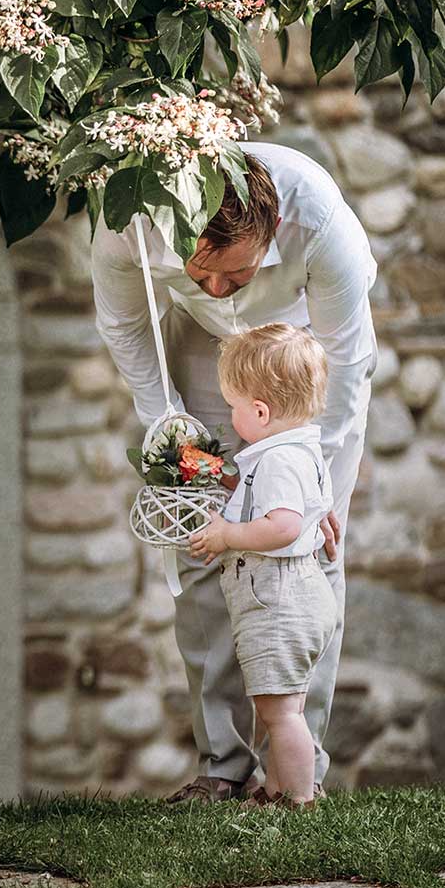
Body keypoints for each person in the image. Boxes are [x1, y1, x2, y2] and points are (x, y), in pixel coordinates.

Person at [91, 143, 377, 802]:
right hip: (194, 348)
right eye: (201, 272)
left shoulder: (317, 216)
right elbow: (126, 328)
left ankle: (294, 772)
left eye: (237, 274)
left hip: (301, 353)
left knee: (310, 548)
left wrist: (317, 486)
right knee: (202, 543)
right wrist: (169, 422)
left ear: (271, 232)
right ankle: (222, 765)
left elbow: (348, 360)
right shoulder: (126, 219)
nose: (218, 289)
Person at [184, 325, 337, 807]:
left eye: (233, 405)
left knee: (280, 713)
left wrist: (226, 534)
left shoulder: (278, 462)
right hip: (299, 593)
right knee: (282, 707)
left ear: (261, 411)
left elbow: (283, 525)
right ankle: (279, 789)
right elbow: (270, 503)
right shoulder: (298, 451)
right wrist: (228, 485)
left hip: (278, 600)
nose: (229, 415)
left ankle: (292, 799)